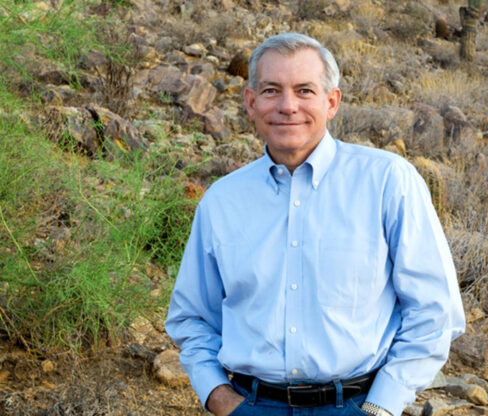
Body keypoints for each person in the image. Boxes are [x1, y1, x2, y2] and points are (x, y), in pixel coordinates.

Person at [165, 33, 465, 416]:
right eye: (272, 90)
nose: (288, 106)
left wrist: (381, 406)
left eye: (304, 90)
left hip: (355, 405)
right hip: (251, 406)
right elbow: (192, 316)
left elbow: (434, 311)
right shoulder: (221, 202)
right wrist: (219, 398)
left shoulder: (388, 182)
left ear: (332, 102)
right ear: (251, 102)